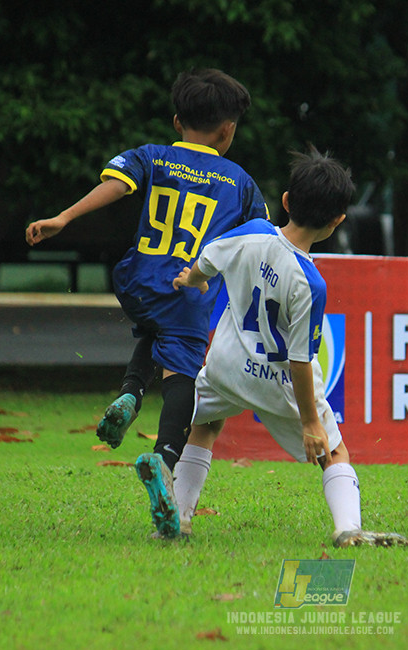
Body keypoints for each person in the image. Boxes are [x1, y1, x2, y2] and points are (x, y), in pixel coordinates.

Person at [25, 68, 269, 536]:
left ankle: (130, 393)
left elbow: (116, 186)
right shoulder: (240, 183)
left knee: (156, 332)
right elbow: (257, 239)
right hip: (186, 290)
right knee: (184, 380)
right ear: (228, 130)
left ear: (178, 122)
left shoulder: (152, 156)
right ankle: (164, 460)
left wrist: (64, 216)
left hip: (137, 279)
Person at [169, 149, 408, 547]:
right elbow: (299, 360)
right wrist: (311, 422)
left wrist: (192, 279)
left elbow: (206, 262)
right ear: (337, 222)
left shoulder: (251, 231)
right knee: (334, 452)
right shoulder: (310, 284)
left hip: (226, 367)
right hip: (277, 382)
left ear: (285, 201)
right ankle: (348, 528)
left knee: (204, 428)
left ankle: (180, 516)